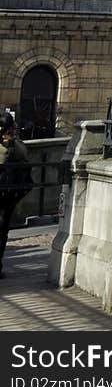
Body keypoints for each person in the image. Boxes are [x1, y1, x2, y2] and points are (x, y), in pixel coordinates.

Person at [0, 112, 34, 277]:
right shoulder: (16, 147)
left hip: (6, 194)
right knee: (2, 230)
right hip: (8, 196)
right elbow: (25, 156)